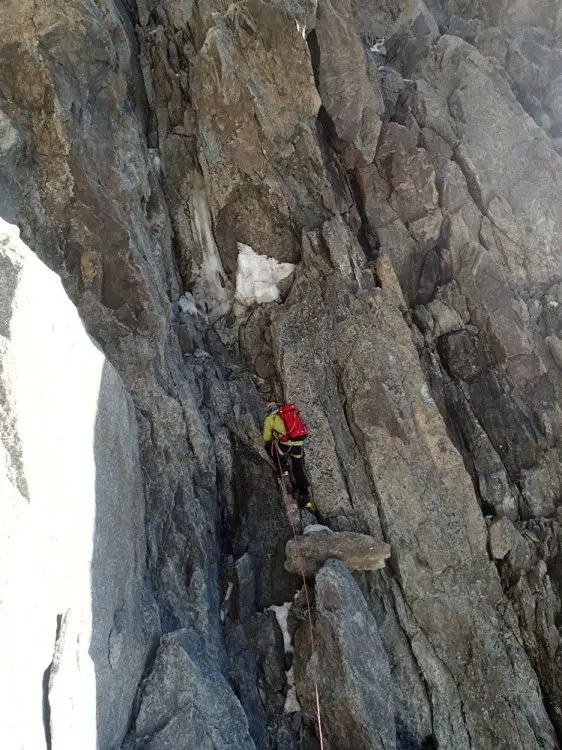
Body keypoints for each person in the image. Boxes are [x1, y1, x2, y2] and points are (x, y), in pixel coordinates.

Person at [262, 402, 312, 509]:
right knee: (298, 469)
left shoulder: (271, 418)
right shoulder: (290, 414)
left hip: (284, 446)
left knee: (270, 446)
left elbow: (266, 438)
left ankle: (282, 469)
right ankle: (305, 498)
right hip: (298, 445)